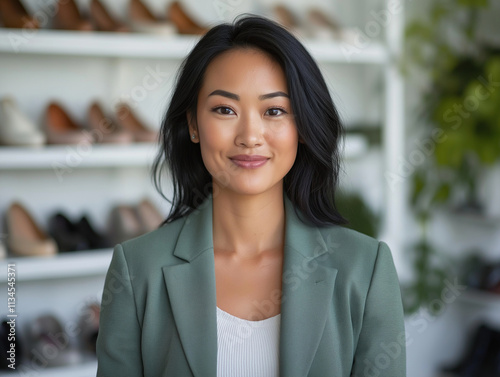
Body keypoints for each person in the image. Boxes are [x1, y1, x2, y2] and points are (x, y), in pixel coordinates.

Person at [96, 15, 406, 377]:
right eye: (224, 110)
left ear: (302, 127)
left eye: (274, 111)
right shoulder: (136, 271)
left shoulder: (365, 270)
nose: (250, 135)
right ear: (194, 125)